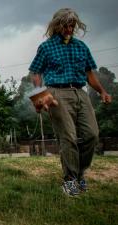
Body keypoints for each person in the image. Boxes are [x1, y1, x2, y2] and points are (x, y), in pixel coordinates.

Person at [29, 8, 112, 197]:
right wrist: (40, 95)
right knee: (68, 137)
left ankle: (79, 174)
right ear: (57, 25)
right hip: (56, 93)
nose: (69, 28)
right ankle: (70, 181)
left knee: (92, 134)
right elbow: (35, 72)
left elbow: (90, 74)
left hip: (80, 92)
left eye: (72, 25)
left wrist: (102, 92)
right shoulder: (46, 47)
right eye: (65, 25)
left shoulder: (81, 46)